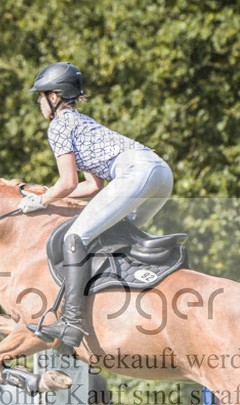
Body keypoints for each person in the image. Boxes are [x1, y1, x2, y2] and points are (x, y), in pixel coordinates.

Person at [21, 62, 174, 347]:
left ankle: (72, 323)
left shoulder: (59, 125)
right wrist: (52, 195)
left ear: (54, 97)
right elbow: (93, 186)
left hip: (136, 173)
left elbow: (66, 183)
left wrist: (41, 200)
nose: (39, 103)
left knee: (75, 237)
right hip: (160, 173)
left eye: (40, 97)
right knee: (116, 234)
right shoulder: (82, 122)